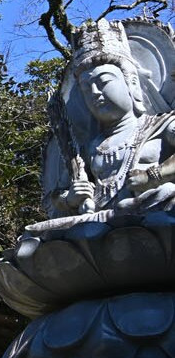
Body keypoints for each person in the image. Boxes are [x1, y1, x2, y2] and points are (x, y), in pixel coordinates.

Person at [51, 20, 175, 217]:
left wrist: (153, 176)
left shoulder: (163, 125)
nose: (95, 92)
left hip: (149, 208)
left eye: (104, 81)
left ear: (132, 83)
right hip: (103, 218)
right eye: (86, 88)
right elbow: (57, 194)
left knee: (166, 194)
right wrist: (70, 198)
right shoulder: (90, 148)